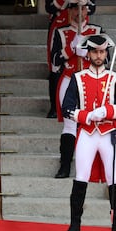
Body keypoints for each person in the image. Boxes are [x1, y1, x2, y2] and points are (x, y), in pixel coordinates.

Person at [61, 34, 116, 231]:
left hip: (109, 134)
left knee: (114, 180)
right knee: (80, 178)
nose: (99, 55)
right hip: (87, 133)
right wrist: (87, 115)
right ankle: (75, 225)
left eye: (102, 52)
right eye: (95, 51)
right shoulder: (78, 78)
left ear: (106, 53)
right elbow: (67, 108)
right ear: (89, 54)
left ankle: (115, 227)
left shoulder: (114, 78)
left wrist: (108, 111)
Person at [51, 0, 104, 178]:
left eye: (81, 8)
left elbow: (106, 57)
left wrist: (88, 51)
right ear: (69, 11)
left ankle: (94, 167)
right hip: (69, 80)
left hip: (92, 81)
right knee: (70, 125)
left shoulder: (96, 31)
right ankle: (64, 165)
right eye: (74, 8)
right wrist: (71, 48)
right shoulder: (61, 32)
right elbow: (55, 62)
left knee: (95, 123)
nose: (78, 12)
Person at [45, 0, 96, 118]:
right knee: (55, 68)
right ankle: (55, 106)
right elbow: (50, 7)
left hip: (81, 24)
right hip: (61, 23)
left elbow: (92, 8)